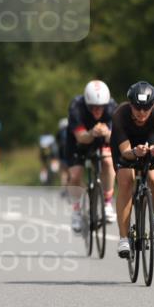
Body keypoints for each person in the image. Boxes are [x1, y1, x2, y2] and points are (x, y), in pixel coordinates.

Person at [111, 81, 154, 258]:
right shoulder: (120, 114)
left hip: (151, 143)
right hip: (126, 147)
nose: (142, 112)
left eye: (146, 108)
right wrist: (135, 152)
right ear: (130, 104)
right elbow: (125, 153)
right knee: (126, 182)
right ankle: (123, 238)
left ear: (153, 106)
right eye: (137, 108)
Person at [65, 80, 118, 231]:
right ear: (87, 104)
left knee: (108, 162)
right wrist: (92, 133)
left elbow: (116, 137)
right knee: (75, 175)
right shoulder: (76, 107)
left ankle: (107, 203)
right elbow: (81, 137)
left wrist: (107, 133)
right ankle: (76, 211)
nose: (97, 111)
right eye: (93, 108)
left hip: (102, 139)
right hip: (78, 141)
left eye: (101, 107)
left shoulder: (113, 108)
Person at [56, 117, 70, 188]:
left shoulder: (59, 133)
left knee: (63, 172)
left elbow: (57, 143)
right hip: (71, 153)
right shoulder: (71, 131)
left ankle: (64, 188)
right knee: (70, 171)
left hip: (62, 154)